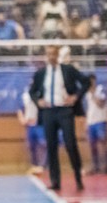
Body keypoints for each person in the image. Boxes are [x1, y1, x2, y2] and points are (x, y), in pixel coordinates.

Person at [29, 45, 91, 191]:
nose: (51, 57)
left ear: (57, 55)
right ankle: (55, 181)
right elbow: (32, 91)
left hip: (65, 111)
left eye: (54, 54)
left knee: (70, 143)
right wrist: (38, 101)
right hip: (49, 112)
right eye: (48, 54)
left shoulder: (67, 70)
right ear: (46, 55)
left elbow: (86, 82)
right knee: (51, 146)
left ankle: (78, 178)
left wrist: (75, 97)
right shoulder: (41, 73)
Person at [84, 75, 107, 175]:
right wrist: (86, 123)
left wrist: (93, 94)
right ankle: (95, 166)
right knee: (92, 145)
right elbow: (89, 108)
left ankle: (106, 166)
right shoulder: (87, 93)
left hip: (100, 121)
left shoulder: (101, 89)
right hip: (91, 122)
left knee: (103, 144)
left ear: (94, 81)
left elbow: (101, 103)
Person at [17, 85, 45, 175]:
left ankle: (43, 166)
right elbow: (20, 109)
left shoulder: (43, 94)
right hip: (30, 124)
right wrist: (22, 119)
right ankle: (34, 165)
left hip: (40, 124)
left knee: (44, 144)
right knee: (31, 146)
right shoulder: (25, 96)